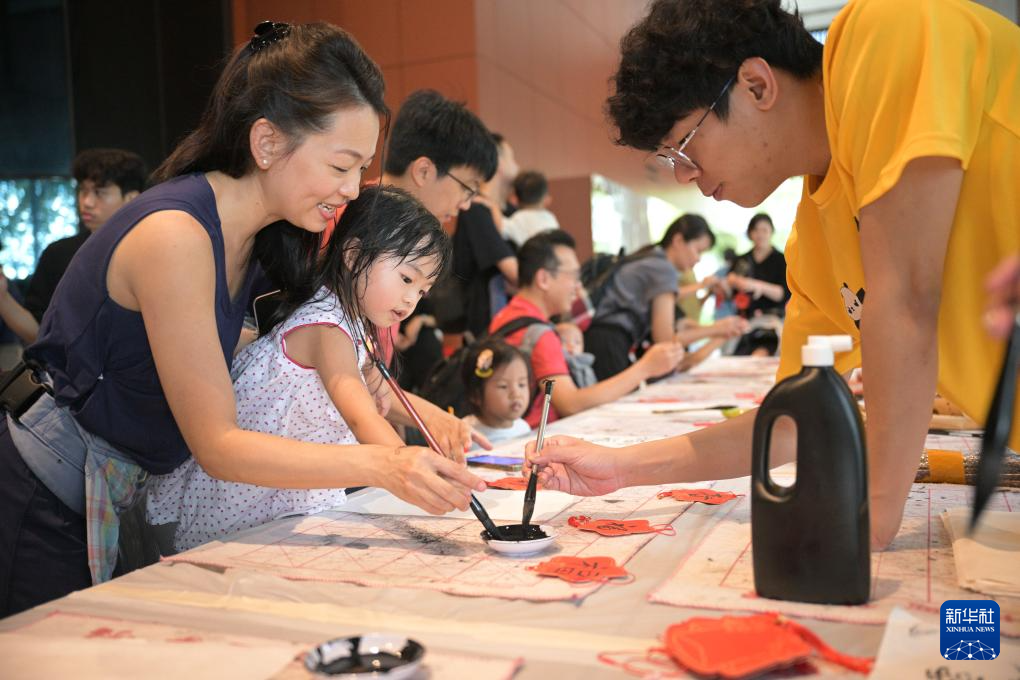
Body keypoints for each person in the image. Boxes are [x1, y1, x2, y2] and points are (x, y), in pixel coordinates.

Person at [0, 21, 485, 617]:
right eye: (341, 166)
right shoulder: (177, 235)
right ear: (267, 143)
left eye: (361, 169)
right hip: (48, 488)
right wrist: (385, 463)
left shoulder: (268, 243)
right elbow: (219, 444)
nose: (354, 191)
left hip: (120, 486)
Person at [526, 0, 1020, 549]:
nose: (686, 175)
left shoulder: (889, 31)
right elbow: (792, 421)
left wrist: (872, 518)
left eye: (684, 146)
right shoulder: (812, 246)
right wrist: (621, 468)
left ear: (757, 85)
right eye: (670, 160)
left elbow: (906, 301)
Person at [150, 186, 451, 551]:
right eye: (407, 279)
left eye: (423, 290)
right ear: (354, 256)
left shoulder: (352, 319)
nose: (410, 299)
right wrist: (408, 466)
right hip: (247, 498)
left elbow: (378, 394)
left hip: (282, 493)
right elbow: (361, 418)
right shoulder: (328, 328)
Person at [491, 230, 684, 428]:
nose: (578, 286)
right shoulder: (539, 335)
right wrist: (645, 368)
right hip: (533, 439)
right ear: (543, 279)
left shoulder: (505, 316)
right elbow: (571, 404)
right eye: (573, 276)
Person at [379, 89, 498, 394]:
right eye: (467, 188)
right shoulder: (362, 227)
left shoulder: (408, 233)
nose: (467, 204)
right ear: (423, 171)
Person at [584, 214, 741, 380]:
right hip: (609, 344)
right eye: (698, 250)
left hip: (600, 338)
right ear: (678, 240)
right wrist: (718, 329)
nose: (698, 259)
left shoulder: (651, 258)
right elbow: (665, 339)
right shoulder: (662, 269)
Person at [24, 149, 147, 324]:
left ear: (131, 198)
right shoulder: (58, 254)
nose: (86, 202)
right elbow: (39, 329)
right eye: (83, 190)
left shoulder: (149, 251)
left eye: (99, 192)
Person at [451, 134, 520, 337]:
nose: (517, 165)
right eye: (512, 157)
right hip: (488, 326)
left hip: (512, 321)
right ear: (497, 161)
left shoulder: (512, 213)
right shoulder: (476, 209)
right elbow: (514, 272)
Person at [727, 213, 789, 356]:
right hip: (743, 320)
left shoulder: (781, 260)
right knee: (734, 352)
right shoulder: (742, 260)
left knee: (762, 350)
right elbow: (730, 289)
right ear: (750, 233)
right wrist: (732, 281)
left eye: (764, 230)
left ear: (771, 232)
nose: (760, 234)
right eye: (756, 230)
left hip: (770, 322)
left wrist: (756, 285)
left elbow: (783, 293)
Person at [461, 339, 533, 448]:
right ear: (476, 395)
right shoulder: (465, 433)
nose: (516, 394)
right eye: (503, 386)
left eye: (521, 384)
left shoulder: (523, 428)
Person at [502, 170, 560, 248]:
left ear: (515, 198)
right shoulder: (550, 217)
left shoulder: (518, 218)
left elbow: (501, 226)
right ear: (546, 199)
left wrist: (492, 206)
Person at [554, 321, 596, 388]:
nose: (572, 346)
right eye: (564, 341)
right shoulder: (556, 365)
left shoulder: (586, 365)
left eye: (577, 342)